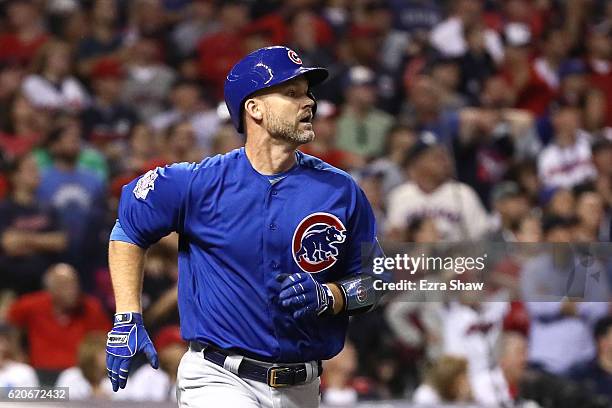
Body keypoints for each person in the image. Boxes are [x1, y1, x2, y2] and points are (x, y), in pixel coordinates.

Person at [106, 46, 382, 408]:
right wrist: (127, 315)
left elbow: (374, 281)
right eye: (291, 93)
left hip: (303, 387)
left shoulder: (339, 190)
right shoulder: (198, 182)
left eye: (308, 93)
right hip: (218, 377)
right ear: (254, 109)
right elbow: (128, 227)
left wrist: (331, 296)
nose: (309, 102)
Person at [7, 263, 110, 385]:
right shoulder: (31, 305)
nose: (72, 290)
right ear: (50, 289)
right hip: (39, 374)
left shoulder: (91, 308)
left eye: (74, 283)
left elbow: (105, 340)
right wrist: (17, 354)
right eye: (64, 285)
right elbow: (10, 326)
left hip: (78, 376)